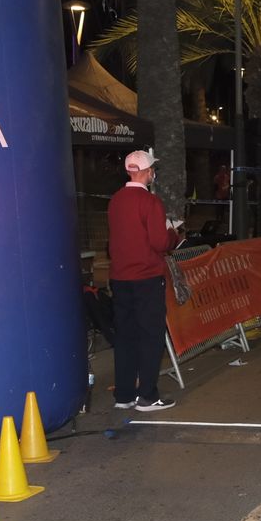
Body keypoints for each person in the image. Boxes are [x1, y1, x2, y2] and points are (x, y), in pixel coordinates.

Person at [107, 149, 182, 412]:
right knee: (151, 336)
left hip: (120, 277)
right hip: (147, 277)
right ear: (148, 172)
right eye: (152, 170)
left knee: (126, 336)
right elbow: (160, 242)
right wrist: (174, 235)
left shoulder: (115, 200)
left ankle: (124, 394)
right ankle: (147, 396)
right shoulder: (151, 202)